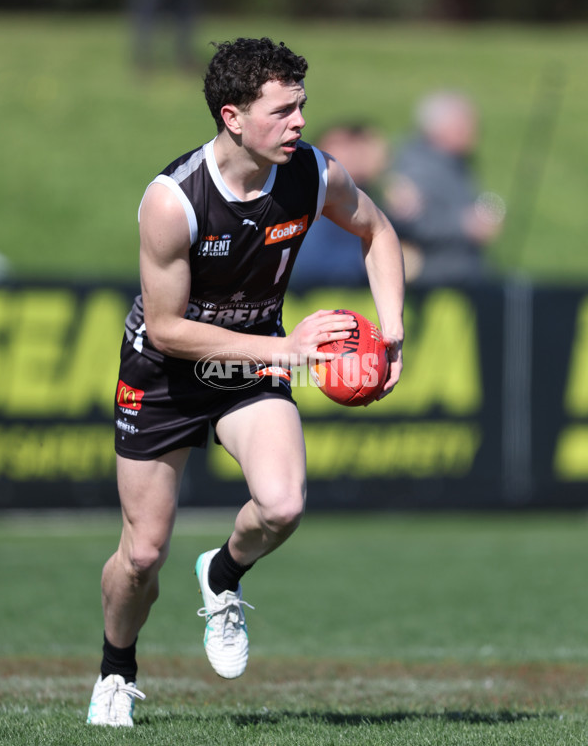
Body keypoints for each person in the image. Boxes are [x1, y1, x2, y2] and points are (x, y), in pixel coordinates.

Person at [86, 37, 405, 728]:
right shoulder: (174, 201)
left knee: (283, 503)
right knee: (141, 553)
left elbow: (376, 230)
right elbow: (169, 328)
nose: (299, 123)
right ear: (232, 117)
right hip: (164, 370)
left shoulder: (312, 173)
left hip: (250, 364)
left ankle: (222, 576)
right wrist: (282, 346)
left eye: (302, 107)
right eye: (283, 110)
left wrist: (392, 330)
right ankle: (117, 668)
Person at [384, 91, 505, 285]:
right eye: (465, 125)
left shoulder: (458, 163)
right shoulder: (416, 167)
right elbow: (410, 220)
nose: (474, 132)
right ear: (438, 127)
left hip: (462, 274)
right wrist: (465, 224)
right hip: (432, 281)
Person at [289, 123, 390, 291]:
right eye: (346, 148)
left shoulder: (379, 195)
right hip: (321, 303)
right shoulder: (315, 199)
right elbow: (308, 263)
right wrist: (369, 261)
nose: (356, 155)